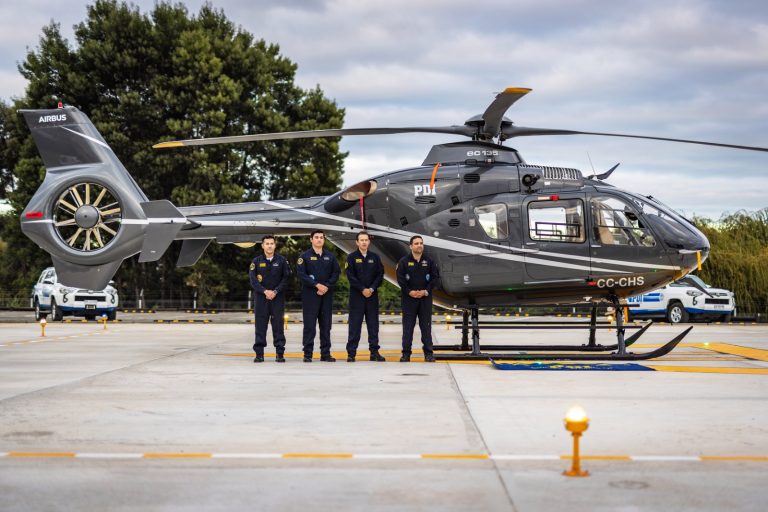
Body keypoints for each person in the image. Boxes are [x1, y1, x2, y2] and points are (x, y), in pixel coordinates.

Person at [297, 230, 340, 362]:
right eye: (316, 237)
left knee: (326, 325)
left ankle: (325, 354)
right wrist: (317, 285)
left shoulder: (330, 256)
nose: (319, 239)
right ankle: (308, 354)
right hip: (311, 296)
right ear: (311, 239)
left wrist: (326, 286)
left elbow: (336, 273)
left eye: (321, 237)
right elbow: (301, 274)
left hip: (326, 295)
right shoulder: (304, 256)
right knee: (310, 326)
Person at [396, 235, 439, 362]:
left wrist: (425, 291)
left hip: (425, 299)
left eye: (421, 243)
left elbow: (435, 278)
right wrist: (410, 292)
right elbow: (400, 279)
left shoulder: (429, 261)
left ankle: (428, 353)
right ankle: (406, 354)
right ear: (411, 246)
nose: (419, 245)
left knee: (426, 327)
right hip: (409, 299)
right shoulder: (403, 262)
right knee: (408, 327)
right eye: (416, 243)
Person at [249, 235, 291, 363]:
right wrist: (264, 291)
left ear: (275, 245)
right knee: (260, 326)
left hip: (277, 298)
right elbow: (253, 280)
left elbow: (286, 278)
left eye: (271, 243)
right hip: (261, 299)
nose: (269, 246)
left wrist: (276, 291)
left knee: (278, 325)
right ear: (262, 245)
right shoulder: (256, 261)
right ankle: (259, 354)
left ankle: (279, 353)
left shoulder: (282, 261)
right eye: (267, 243)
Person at [345, 231, 386, 362]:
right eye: (361, 240)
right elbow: (350, 276)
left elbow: (380, 275)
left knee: (373, 326)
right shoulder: (351, 258)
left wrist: (372, 288)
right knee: (354, 326)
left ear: (369, 242)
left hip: (372, 297)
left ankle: (374, 352)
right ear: (357, 242)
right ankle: (351, 353)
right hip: (357, 297)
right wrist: (362, 289)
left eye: (366, 240)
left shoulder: (375, 257)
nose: (364, 242)